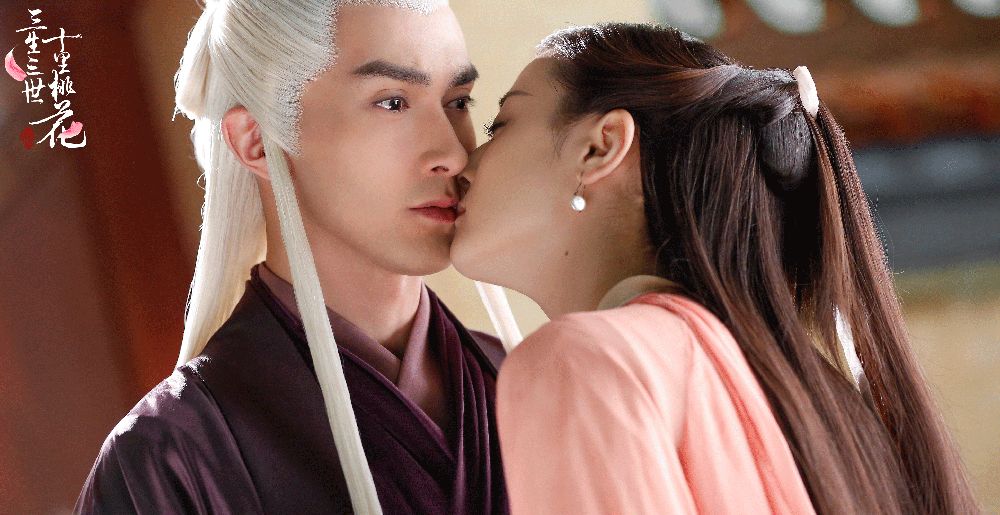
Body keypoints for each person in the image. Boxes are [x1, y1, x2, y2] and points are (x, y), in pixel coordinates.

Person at [450, 23, 979, 514]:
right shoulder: (820, 402)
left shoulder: (585, 361)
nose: (462, 163)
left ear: (600, 147)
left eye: (500, 125)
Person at [74, 1, 509, 513]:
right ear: (256, 140)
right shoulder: (170, 457)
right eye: (393, 102)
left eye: (458, 101)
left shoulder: (519, 376)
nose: (453, 155)